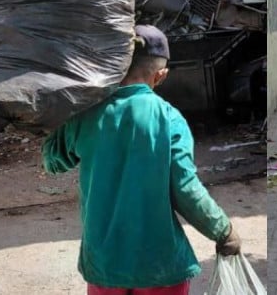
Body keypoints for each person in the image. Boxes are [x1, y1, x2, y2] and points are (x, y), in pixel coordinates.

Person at [42, 25, 240, 295]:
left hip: (104, 264)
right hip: (159, 265)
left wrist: (57, 115)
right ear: (160, 76)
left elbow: (53, 161)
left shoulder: (85, 114)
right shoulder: (169, 119)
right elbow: (185, 190)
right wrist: (222, 230)